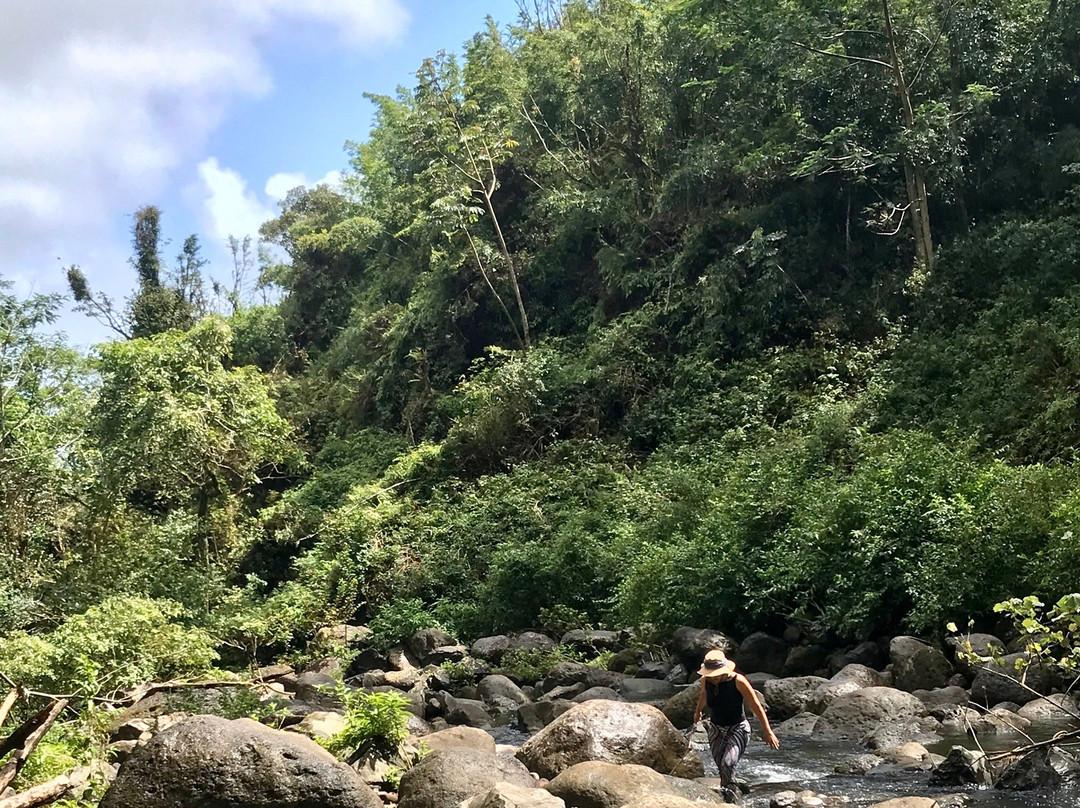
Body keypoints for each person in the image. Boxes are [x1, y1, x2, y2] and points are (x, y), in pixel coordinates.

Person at [692, 648, 779, 794]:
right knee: (722, 767)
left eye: (716, 675)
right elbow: (704, 695)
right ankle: (729, 795)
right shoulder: (705, 680)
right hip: (716, 728)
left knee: (728, 763)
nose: (713, 678)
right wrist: (698, 711)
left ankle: (730, 797)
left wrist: (767, 730)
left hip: (737, 728)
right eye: (711, 675)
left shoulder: (738, 681)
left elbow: (756, 705)